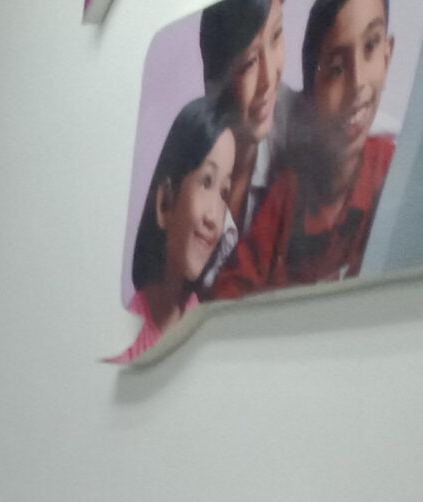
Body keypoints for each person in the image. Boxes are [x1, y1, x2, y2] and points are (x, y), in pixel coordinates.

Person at [225, 0, 400, 294]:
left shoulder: (394, 171)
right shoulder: (288, 192)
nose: (358, 83)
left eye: (370, 46)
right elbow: (229, 290)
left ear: (388, 54)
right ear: (311, 99)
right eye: (336, 70)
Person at [116, 98, 240, 362]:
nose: (214, 218)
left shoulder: (208, 331)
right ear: (164, 203)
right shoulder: (123, 334)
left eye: (224, 193)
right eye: (206, 182)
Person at [199, 0, 292, 261]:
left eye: (277, 35)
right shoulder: (191, 155)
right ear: (214, 81)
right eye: (249, 62)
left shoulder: (297, 125)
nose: (269, 79)